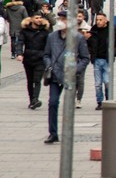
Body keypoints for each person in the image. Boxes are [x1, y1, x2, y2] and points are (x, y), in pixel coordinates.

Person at [43, 11, 90, 144]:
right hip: (55, 75)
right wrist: (49, 65)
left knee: (69, 105)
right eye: (60, 19)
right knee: (52, 103)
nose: (60, 21)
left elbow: (85, 58)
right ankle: (53, 133)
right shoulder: (52, 37)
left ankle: (68, 132)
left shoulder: (78, 38)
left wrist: (75, 70)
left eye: (64, 19)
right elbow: (46, 54)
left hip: (70, 76)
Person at [86, 11, 116, 111]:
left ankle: (108, 101)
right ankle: (99, 102)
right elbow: (89, 44)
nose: (98, 22)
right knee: (97, 84)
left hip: (107, 60)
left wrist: (113, 54)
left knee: (107, 81)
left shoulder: (112, 31)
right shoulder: (93, 31)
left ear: (106, 21)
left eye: (100, 20)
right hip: (97, 60)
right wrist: (90, 50)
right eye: (97, 20)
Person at [16, 11, 51, 109]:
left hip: (40, 59)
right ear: (31, 19)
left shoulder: (45, 32)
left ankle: (35, 99)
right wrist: (19, 53)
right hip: (28, 58)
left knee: (37, 80)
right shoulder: (25, 31)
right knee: (30, 80)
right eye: (36, 18)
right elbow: (20, 42)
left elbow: (49, 45)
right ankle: (32, 99)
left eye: (40, 18)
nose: (39, 20)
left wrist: (48, 56)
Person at [74, 10, 92, 108]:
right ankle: (72, 97)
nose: (78, 18)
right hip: (71, 57)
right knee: (72, 79)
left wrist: (86, 37)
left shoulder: (88, 28)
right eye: (77, 16)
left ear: (83, 17)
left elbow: (91, 43)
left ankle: (78, 99)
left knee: (80, 79)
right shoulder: (70, 28)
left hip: (82, 57)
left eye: (80, 16)